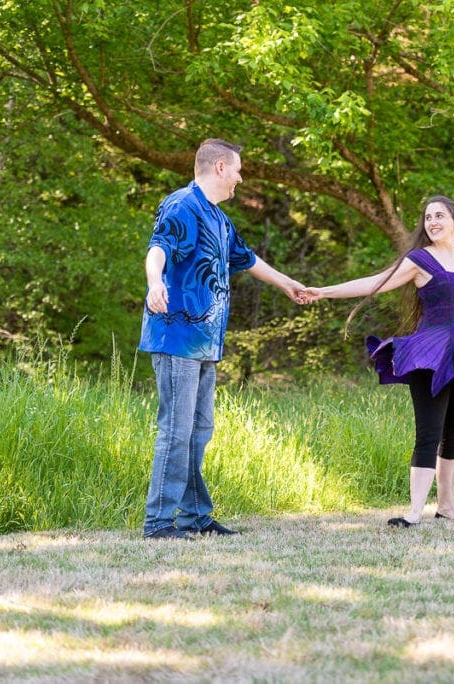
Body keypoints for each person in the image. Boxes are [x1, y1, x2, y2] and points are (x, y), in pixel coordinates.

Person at [300, 195, 454, 527]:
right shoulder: (419, 260)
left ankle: (447, 506)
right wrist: (324, 291)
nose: (433, 222)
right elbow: (375, 283)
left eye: (440, 215)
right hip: (432, 355)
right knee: (429, 432)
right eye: (428, 217)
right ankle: (415, 511)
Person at [139, 138, 308, 540]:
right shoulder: (181, 205)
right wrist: (153, 283)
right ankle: (159, 522)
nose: (240, 178)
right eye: (237, 170)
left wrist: (288, 284)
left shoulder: (219, 218)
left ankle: (194, 517)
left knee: (199, 431)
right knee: (176, 431)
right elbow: (158, 248)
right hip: (176, 336)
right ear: (219, 168)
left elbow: (247, 259)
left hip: (205, 343)